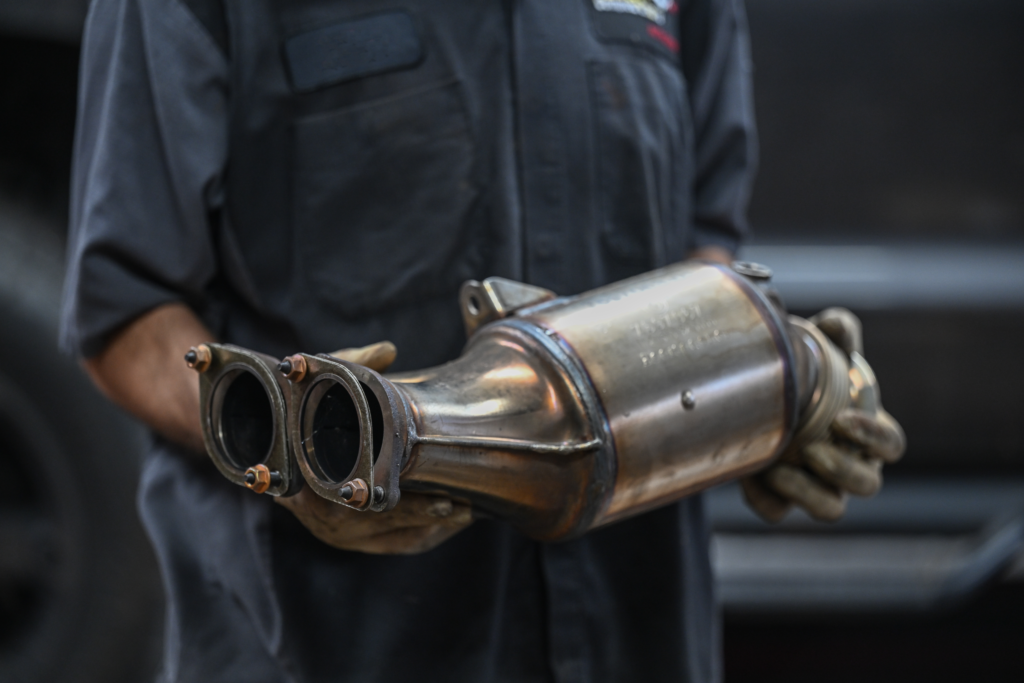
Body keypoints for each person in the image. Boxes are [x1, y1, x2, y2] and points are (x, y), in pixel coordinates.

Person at [60, 0, 901, 680]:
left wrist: (771, 385)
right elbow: (124, 312)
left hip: (634, 630)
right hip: (332, 643)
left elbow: (704, 248)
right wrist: (289, 442)